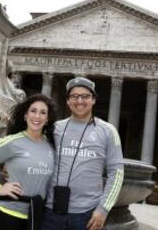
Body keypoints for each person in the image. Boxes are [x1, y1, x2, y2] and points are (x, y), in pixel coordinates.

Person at [40, 77, 124, 230]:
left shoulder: (108, 131)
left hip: (87, 215)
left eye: (85, 96)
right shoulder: (54, 128)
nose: (79, 101)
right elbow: (36, 154)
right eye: (74, 96)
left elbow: (117, 173)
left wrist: (103, 209)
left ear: (93, 100)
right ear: (67, 101)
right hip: (51, 212)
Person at [0, 94, 57, 230]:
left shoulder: (51, 146)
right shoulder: (12, 142)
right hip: (6, 215)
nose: (37, 116)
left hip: (35, 217)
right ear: (25, 115)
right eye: (33, 111)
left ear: (47, 119)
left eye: (43, 113)